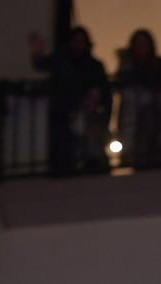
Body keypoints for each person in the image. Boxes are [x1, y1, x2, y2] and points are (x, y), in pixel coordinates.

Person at [29, 27, 111, 175]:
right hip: (64, 116)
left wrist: (102, 116)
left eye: (81, 41)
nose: (78, 44)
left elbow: (105, 93)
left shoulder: (94, 66)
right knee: (67, 152)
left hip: (89, 116)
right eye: (75, 41)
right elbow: (42, 64)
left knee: (92, 152)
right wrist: (38, 51)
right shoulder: (62, 61)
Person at [115, 28, 161, 168]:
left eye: (145, 43)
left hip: (157, 119)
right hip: (136, 127)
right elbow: (123, 90)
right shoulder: (127, 68)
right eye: (138, 43)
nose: (142, 47)